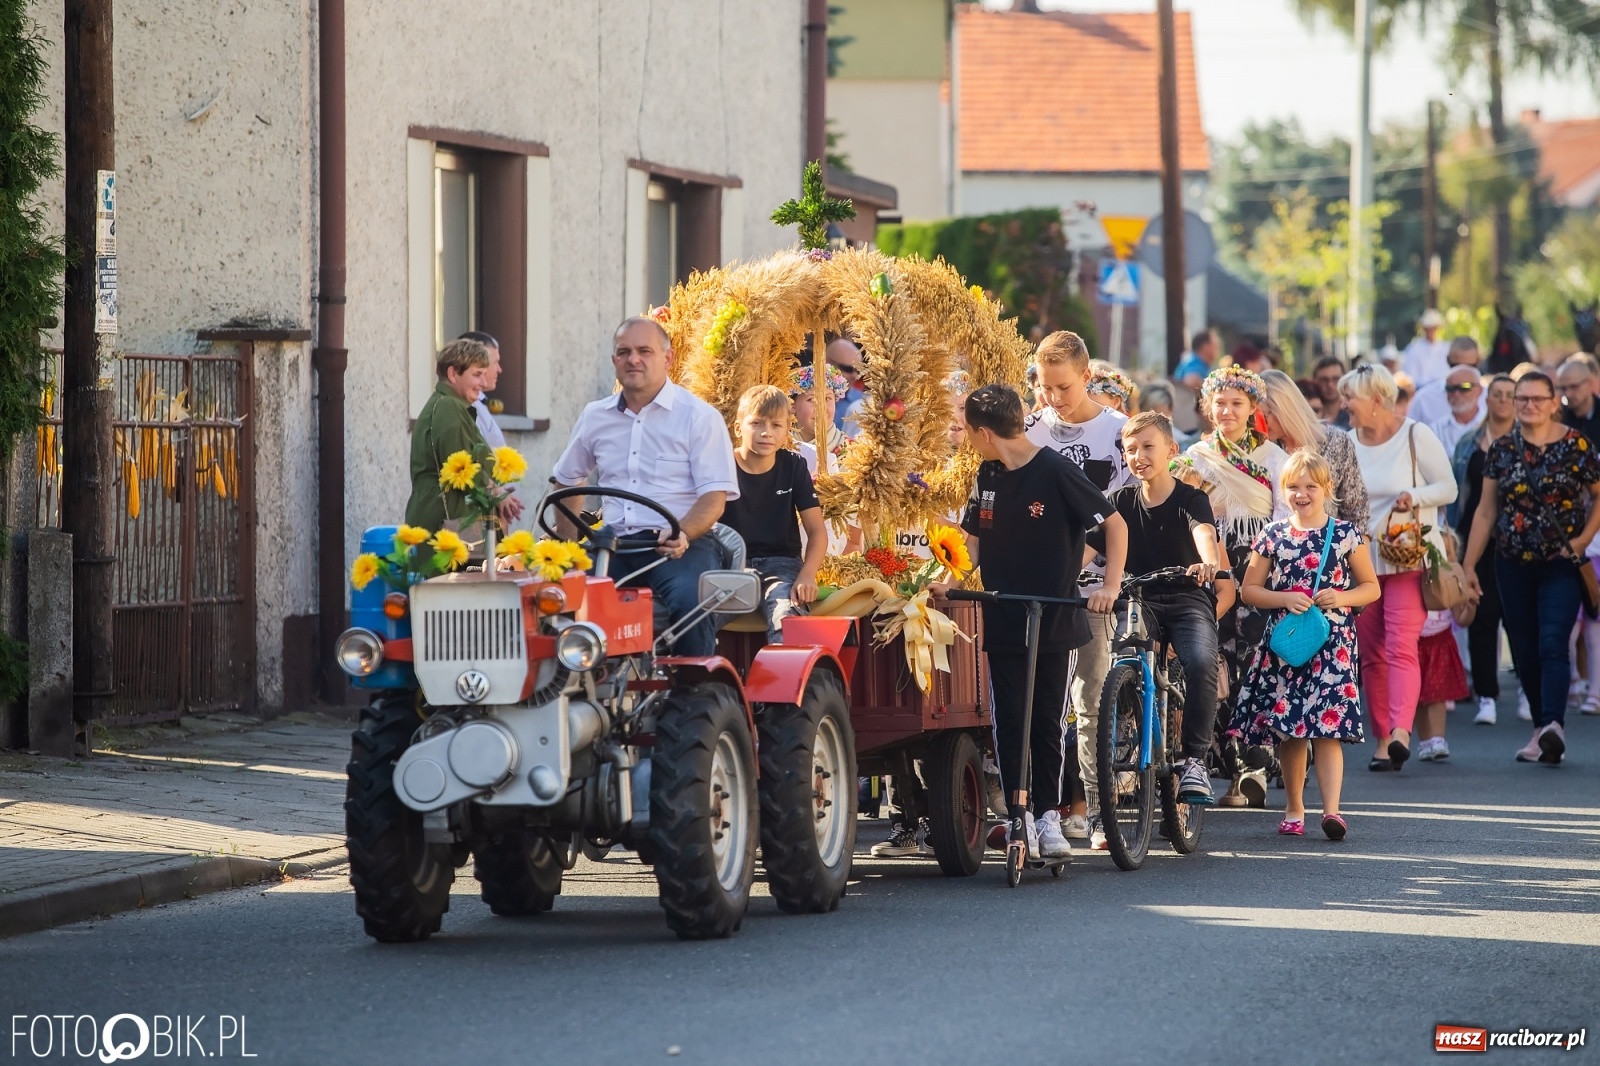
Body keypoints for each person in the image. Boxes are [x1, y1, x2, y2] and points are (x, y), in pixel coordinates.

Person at [959, 384, 1124, 861]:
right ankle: (1018, 816)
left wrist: (1108, 587)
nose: (970, 440)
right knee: (1009, 721)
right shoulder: (987, 474)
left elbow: (1114, 524)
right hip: (1003, 612)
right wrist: (947, 577)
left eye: (970, 432)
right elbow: (972, 539)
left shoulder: (1055, 469)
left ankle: (1049, 817)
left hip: (1054, 616)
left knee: (1047, 720)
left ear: (984, 433)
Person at [550, 317, 740, 657]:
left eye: (644, 351)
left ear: (667, 359)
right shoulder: (596, 416)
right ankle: (576, 693)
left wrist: (682, 532)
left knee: (690, 602)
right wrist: (567, 545)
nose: (633, 359)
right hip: (613, 545)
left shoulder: (698, 416)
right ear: (614, 361)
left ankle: (695, 692)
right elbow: (567, 480)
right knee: (557, 600)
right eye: (624, 352)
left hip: (679, 546)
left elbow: (714, 498)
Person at [1232, 450, 1380, 840]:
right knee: (1291, 727)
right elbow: (1249, 589)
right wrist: (1283, 598)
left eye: (1310, 486)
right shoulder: (1273, 535)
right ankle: (1294, 807)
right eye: (1294, 487)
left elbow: (1371, 587)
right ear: (1284, 491)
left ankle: (1332, 811)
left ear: (1326, 488)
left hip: (1334, 644)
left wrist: (1341, 597)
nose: (1302, 494)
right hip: (1290, 642)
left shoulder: (1347, 534)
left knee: (1327, 729)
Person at [1024, 330, 1132, 847]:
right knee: (1039, 702)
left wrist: (1081, 563)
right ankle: (1039, 809)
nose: (1054, 399)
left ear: (1088, 377)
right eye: (1045, 387)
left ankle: (1095, 809)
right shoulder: (1029, 429)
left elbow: (1126, 512)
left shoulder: (1118, 433)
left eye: (1064, 387)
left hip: (1093, 588)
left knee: (1090, 700)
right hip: (1038, 586)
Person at [1462, 370, 1600, 766]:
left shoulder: (1577, 445)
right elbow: (1486, 512)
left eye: (1538, 399)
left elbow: (1597, 496)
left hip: (1561, 563)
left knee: (1553, 641)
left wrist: (1583, 538)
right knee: (1524, 649)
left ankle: (1554, 724)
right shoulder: (1503, 449)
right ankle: (1540, 729)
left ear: (1555, 402)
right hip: (1512, 563)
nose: (1529, 405)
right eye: (1522, 399)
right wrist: (1469, 566)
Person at [1176, 365, 1290, 803]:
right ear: (1207, 407)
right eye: (1219, 403)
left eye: (1236, 404)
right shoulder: (1193, 457)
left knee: (1257, 665)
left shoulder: (1274, 460)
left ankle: (1254, 769)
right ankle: (1221, 768)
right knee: (1214, 665)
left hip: (1259, 567)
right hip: (1211, 568)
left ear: (1253, 409)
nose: (1226, 411)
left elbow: (1285, 519)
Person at [1341, 362, 1457, 772]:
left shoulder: (1415, 435)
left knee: (1401, 646)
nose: (1344, 405)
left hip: (1406, 556)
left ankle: (1402, 732)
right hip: (1360, 564)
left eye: (1349, 397)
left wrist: (1413, 495)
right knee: (1370, 654)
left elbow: (1449, 488)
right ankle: (1383, 737)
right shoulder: (1346, 443)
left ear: (1376, 400)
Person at [1105, 412, 1225, 805]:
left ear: (1172, 450)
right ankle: (1124, 739)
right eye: (1130, 450)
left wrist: (1208, 562)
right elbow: (1086, 548)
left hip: (1188, 598)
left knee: (1202, 661)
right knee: (1121, 662)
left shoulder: (1192, 499)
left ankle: (1194, 761)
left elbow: (1204, 533)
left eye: (1147, 447)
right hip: (1139, 597)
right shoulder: (1119, 501)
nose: (1138, 456)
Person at [719, 385, 826, 644]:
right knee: (692, 619)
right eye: (756, 423)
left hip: (782, 564)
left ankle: (785, 681)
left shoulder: (793, 465)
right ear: (737, 428)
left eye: (777, 425)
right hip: (729, 565)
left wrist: (807, 574)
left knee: (786, 617)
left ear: (787, 431)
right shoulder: (720, 465)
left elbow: (816, 531)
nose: (767, 433)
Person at [1454, 374, 1516, 725]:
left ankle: (1525, 689)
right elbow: (1459, 499)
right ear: (1486, 399)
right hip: (1475, 540)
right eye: (1498, 394)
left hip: (1519, 540)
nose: (1504, 401)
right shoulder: (1468, 443)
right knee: (1480, 615)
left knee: (1519, 617)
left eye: (1511, 395)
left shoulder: (1529, 441)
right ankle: (1487, 696)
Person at [1259, 369, 1369, 527]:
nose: (1260, 422)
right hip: (1278, 549)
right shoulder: (1264, 448)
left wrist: (1359, 551)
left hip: (1332, 548)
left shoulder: (1336, 441)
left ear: (1282, 408)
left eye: (1264, 414)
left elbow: (1358, 514)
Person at [406, 337, 494, 530]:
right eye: (477, 374)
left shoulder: (445, 404)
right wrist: (496, 493)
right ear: (453, 374)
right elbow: (461, 467)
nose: (484, 383)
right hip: (446, 525)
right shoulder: (449, 406)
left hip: (438, 519)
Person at [458, 330, 525, 524]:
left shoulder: (478, 405)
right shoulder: (467, 407)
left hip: (493, 511)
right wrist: (496, 492)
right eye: (494, 362)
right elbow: (470, 459)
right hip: (478, 515)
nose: (499, 369)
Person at [1415, 594, 1471, 762]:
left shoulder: (1446, 579)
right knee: (1416, 697)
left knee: (1436, 693)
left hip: (1440, 641)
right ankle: (1425, 742)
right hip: (1413, 641)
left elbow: (1461, 620)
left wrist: (1470, 606)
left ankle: (1438, 739)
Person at [788, 363, 851, 475]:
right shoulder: (777, 446)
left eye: (828, 398)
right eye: (811, 399)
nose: (822, 408)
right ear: (792, 405)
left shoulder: (853, 452)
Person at [1409, 337, 1484, 429]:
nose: (1462, 372)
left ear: (1478, 362)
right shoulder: (1424, 399)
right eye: (1456, 366)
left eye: (1469, 367)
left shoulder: (1492, 397)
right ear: (1448, 361)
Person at [1426, 366, 1486, 473]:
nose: (1456, 394)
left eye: (1464, 387)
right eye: (1450, 389)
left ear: (1479, 390)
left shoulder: (1490, 426)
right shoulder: (1435, 430)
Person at [1401, 308, 1450, 391]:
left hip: (1444, 389)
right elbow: (1410, 375)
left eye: (1433, 328)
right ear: (1423, 328)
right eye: (1428, 328)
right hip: (1421, 389)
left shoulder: (1446, 348)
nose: (1431, 331)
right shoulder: (1413, 349)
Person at [826, 337, 867, 436]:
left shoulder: (863, 404)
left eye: (858, 371)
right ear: (827, 363)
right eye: (848, 369)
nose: (855, 376)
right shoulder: (804, 396)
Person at [1557, 355, 1600, 446]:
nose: (1568, 394)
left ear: (1590, 383)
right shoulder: (1559, 420)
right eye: (1563, 388)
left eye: (1574, 387)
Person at [1313, 355, 1348, 427]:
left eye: (1336, 379)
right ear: (1314, 381)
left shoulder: (1352, 414)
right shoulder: (1309, 413)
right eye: (1324, 380)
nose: (1330, 385)